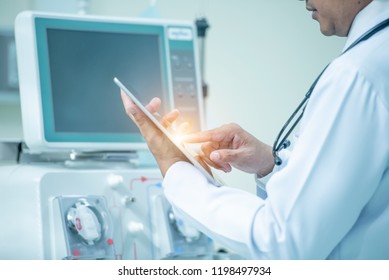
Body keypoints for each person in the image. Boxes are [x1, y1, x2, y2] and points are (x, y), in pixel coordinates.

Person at [120, 0, 389, 259]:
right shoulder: (377, 55)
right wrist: (269, 164)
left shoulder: (355, 74)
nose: (304, 1)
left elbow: (281, 243)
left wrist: (175, 167)